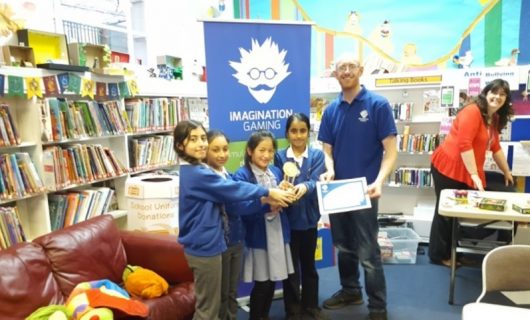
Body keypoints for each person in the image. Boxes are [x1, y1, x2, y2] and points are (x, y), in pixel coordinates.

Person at [173, 120, 295, 320]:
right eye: (193, 139)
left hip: (215, 243)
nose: (201, 143)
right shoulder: (198, 173)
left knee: (224, 298)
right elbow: (234, 191)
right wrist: (267, 193)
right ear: (180, 145)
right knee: (208, 310)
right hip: (205, 247)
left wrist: (269, 196)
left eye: (203, 138)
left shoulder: (201, 170)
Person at [318, 53, 398, 320]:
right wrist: (329, 169)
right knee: (343, 245)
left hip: (365, 191)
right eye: (342, 68)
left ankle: (378, 307)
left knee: (368, 251)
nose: (347, 71)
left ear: (361, 70)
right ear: (336, 74)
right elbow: (327, 149)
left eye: (351, 67)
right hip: (338, 191)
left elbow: (390, 151)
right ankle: (350, 290)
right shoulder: (331, 109)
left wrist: (379, 181)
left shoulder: (378, 104)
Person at [429, 79, 514, 267]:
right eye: (494, 92)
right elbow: (464, 144)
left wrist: (507, 171)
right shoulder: (472, 111)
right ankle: (438, 255)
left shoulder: (494, 117)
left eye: (502, 94)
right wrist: (475, 174)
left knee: (458, 213)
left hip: (467, 168)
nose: (497, 97)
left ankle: (454, 254)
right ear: (486, 92)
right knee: (445, 212)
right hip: (449, 167)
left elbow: (495, 146)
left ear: (506, 99)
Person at [233, 130, 301, 320]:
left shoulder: (277, 172)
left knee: (273, 279)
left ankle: (264, 315)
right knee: (262, 282)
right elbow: (241, 207)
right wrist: (266, 202)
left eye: (270, 151)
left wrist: (289, 196)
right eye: (261, 150)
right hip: (258, 235)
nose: (266, 155)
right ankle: (257, 316)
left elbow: (284, 203)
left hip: (278, 231)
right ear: (249, 151)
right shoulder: (242, 175)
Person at [274, 113, 329, 320]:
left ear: (308, 132)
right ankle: (293, 309)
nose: (298, 136)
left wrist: (305, 187)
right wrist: (283, 186)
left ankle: (311, 305)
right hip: (288, 222)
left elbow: (316, 181)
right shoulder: (280, 156)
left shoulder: (316, 156)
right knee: (290, 268)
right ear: (287, 133)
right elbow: (277, 180)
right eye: (293, 131)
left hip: (309, 220)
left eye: (302, 131)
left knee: (309, 265)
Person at [205, 130, 246, 320]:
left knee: (231, 290)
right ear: (205, 151)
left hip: (236, 240)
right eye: (216, 150)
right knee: (220, 293)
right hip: (218, 244)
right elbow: (232, 202)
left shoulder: (229, 176)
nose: (222, 154)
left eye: (225, 149)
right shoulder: (206, 179)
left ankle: (232, 316)